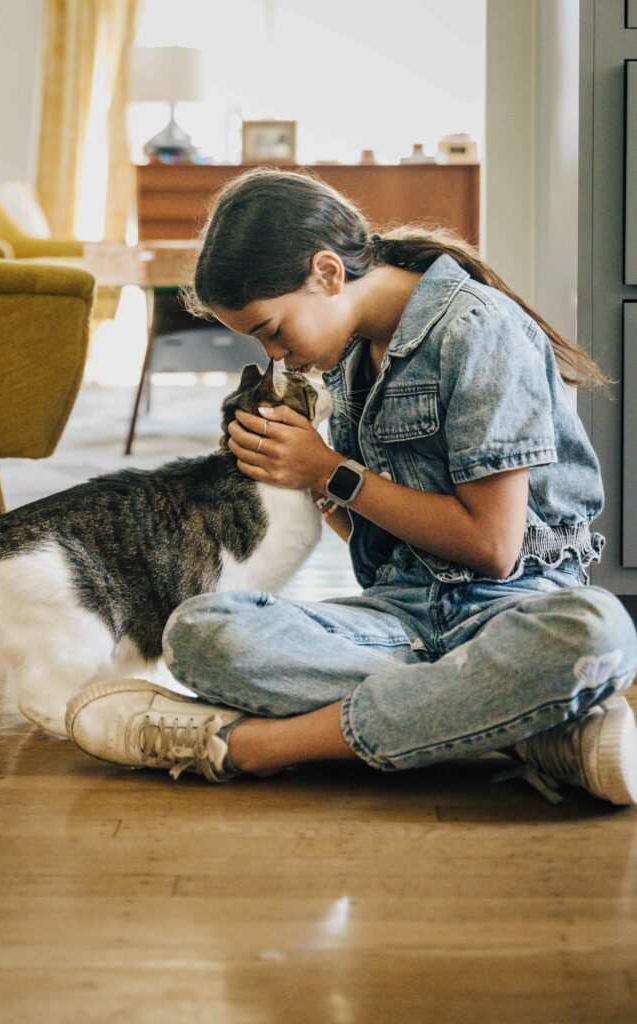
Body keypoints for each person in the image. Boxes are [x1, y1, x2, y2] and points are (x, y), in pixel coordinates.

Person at [66, 168, 637, 805]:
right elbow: (383, 533)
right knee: (198, 633)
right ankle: (522, 727)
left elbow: (493, 546)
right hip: (398, 621)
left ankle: (243, 747)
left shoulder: (477, 330)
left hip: (513, 611)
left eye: (273, 331)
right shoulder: (349, 355)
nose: (278, 359)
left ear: (328, 273)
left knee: (595, 634)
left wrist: (328, 471)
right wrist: (308, 491)